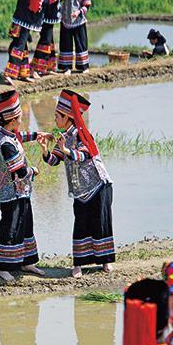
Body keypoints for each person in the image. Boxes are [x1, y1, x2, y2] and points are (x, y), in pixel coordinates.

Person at [38, 89, 114, 277]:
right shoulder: (63, 136)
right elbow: (54, 161)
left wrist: (66, 150)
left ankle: (105, 262)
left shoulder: (82, 135)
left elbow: (84, 154)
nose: (55, 119)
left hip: (98, 186)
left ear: (68, 118)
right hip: (80, 191)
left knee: (101, 224)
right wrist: (45, 149)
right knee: (80, 225)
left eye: (57, 116)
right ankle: (78, 265)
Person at [0, 90, 52, 282]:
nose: (22, 121)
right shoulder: (5, 143)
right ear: (12, 120)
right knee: (10, 228)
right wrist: (33, 170)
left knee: (26, 225)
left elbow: (21, 136)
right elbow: (19, 171)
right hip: (10, 192)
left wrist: (37, 135)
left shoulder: (9, 132)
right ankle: (3, 267)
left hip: (22, 191)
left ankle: (26, 262)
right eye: (20, 118)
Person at [3, 0, 47, 85]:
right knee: (19, 46)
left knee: (23, 46)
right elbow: (34, 6)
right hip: (23, 19)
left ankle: (23, 73)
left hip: (23, 18)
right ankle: (9, 74)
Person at [58, 0, 92, 74]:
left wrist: (78, 12)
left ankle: (83, 67)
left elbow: (86, 6)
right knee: (65, 44)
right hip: (66, 18)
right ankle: (67, 68)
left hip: (79, 20)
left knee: (81, 43)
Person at [30, 0, 63, 76]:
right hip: (43, 13)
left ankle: (48, 66)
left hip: (51, 13)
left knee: (50, 40)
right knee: (45, 40)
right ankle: (35, 68)